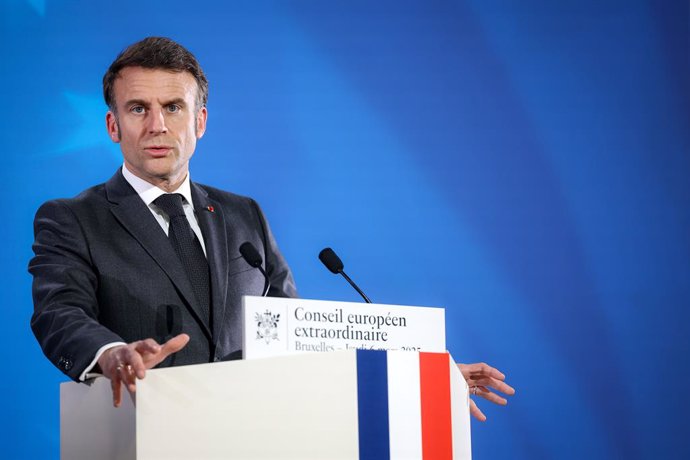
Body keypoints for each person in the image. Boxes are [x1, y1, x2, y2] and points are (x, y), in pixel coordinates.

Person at [29, 37, 513, 419]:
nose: (157, 125)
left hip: (255, 433)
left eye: (173, 107)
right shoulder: (73, 219)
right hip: (143, 431)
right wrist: (111, 354)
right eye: (138, 108)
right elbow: (59, 314)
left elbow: (300, 337)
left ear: (200, 121)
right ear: (113, 125)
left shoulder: (245, 215)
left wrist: (418, 375)